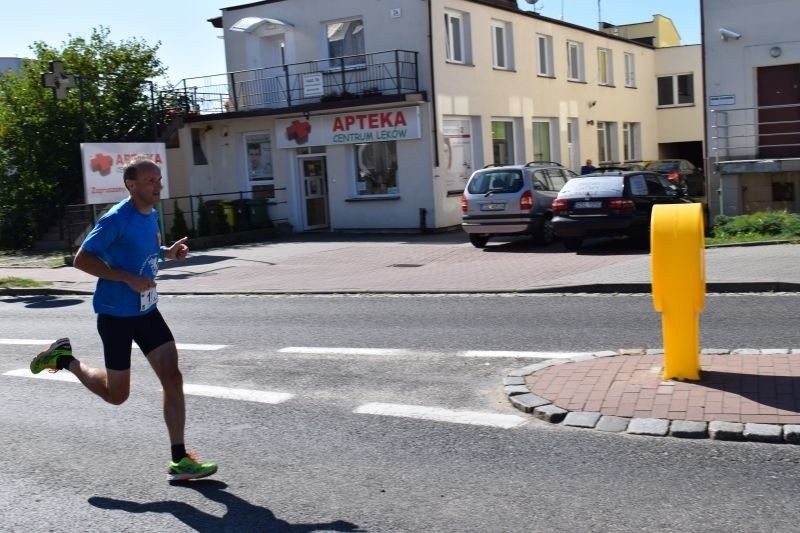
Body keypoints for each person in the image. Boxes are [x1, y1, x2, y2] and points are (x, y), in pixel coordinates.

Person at [29, 155, 217, 482]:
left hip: (146, 311)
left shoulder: (151, 214)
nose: (158, 185)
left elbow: (144, 252)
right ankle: (64, 358)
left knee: (172, 377)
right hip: (115, 314)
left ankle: (180, 458)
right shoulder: (116, 219)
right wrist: (127, 278)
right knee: (117, 396)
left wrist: (168, 253)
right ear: (132, 185)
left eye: (159, 179)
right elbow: (81, 259)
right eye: (150, 181)